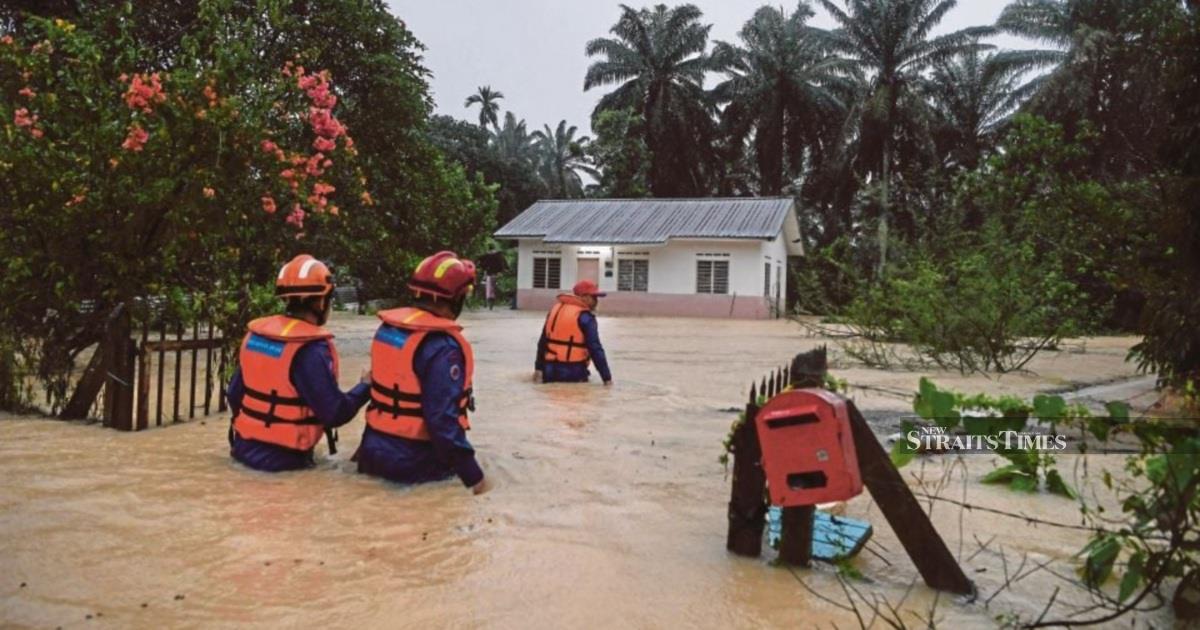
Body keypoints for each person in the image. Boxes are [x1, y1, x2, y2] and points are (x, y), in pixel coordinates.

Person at [355, 251, 491, 494]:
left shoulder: (389, 329)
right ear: (456, 298)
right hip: (416, 463)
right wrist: (475, 477)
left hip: (372, 451)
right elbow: (442, 422)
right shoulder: (443, 347)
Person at [226, 254, 371, 472]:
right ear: (322, 301)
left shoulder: (256, 338)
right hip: (286, 465)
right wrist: (365, 386)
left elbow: (234, 394)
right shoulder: (309, 349)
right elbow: (334, 413)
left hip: (242, 452)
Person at [533, 279, 612, 385]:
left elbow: (542, 342)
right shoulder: (586, 317)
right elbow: (595, 349)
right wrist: (607, 379)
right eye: (594, 297)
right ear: (586, 297)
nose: (596, 301)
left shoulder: (554, 311)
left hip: (549, 371)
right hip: (573, 372)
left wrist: (538, 369)